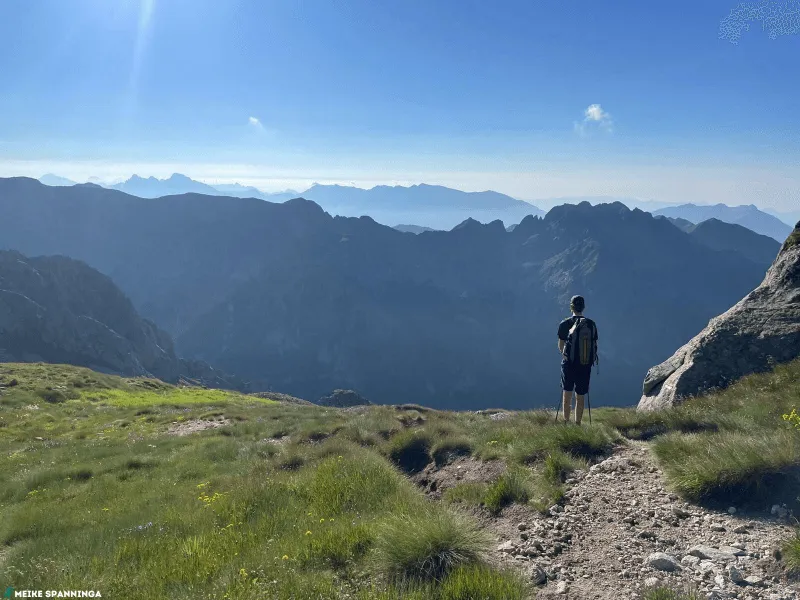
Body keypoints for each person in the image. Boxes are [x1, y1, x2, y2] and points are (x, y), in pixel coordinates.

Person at [557, 295, 598, 424]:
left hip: (569, 363)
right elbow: (594, 345)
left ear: (571, 307)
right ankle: (578, 423)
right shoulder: (591, 324)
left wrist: (565, 355)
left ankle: (566, 421)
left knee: (567, 393)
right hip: (585, 364)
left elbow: (561, 345)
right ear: (583, 307)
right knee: (580, 395)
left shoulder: (565, 324)